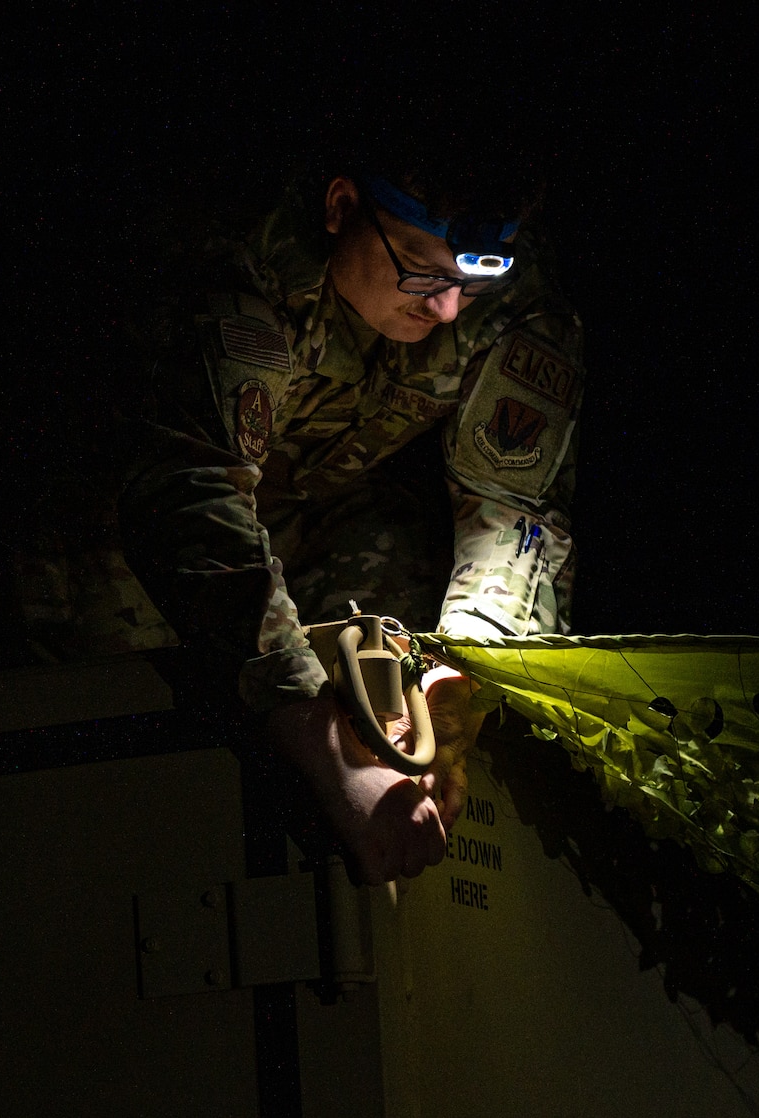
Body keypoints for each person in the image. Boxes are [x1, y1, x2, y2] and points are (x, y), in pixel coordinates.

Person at [108, 148, 584, 885]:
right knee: (137, 701)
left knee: (402, 595)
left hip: (318, 508)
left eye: (471, 277)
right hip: (125, 517)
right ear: (341, 209)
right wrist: (317, 733)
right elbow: (189, 488)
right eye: (423, 273)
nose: (449, 306)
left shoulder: (515, 292)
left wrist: (461, 678)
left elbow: (514, 508)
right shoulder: (246, 264)